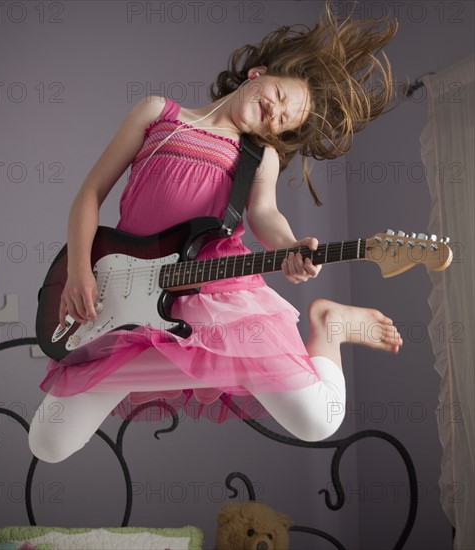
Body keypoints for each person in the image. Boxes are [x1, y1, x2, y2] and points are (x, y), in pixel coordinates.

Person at [29, 4, 402, 464]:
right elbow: (89, 193)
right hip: (124, 295)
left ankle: (330, 324)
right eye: (282, 96)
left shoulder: (257, 156)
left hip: (214, 297)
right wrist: (80, 273)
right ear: (257, 74)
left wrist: (289, 247)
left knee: (318, 418)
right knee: (47, 443)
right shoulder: (157, 114)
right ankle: (141, 349)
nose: (277, 114)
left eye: (286, 120)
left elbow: (265, 214)